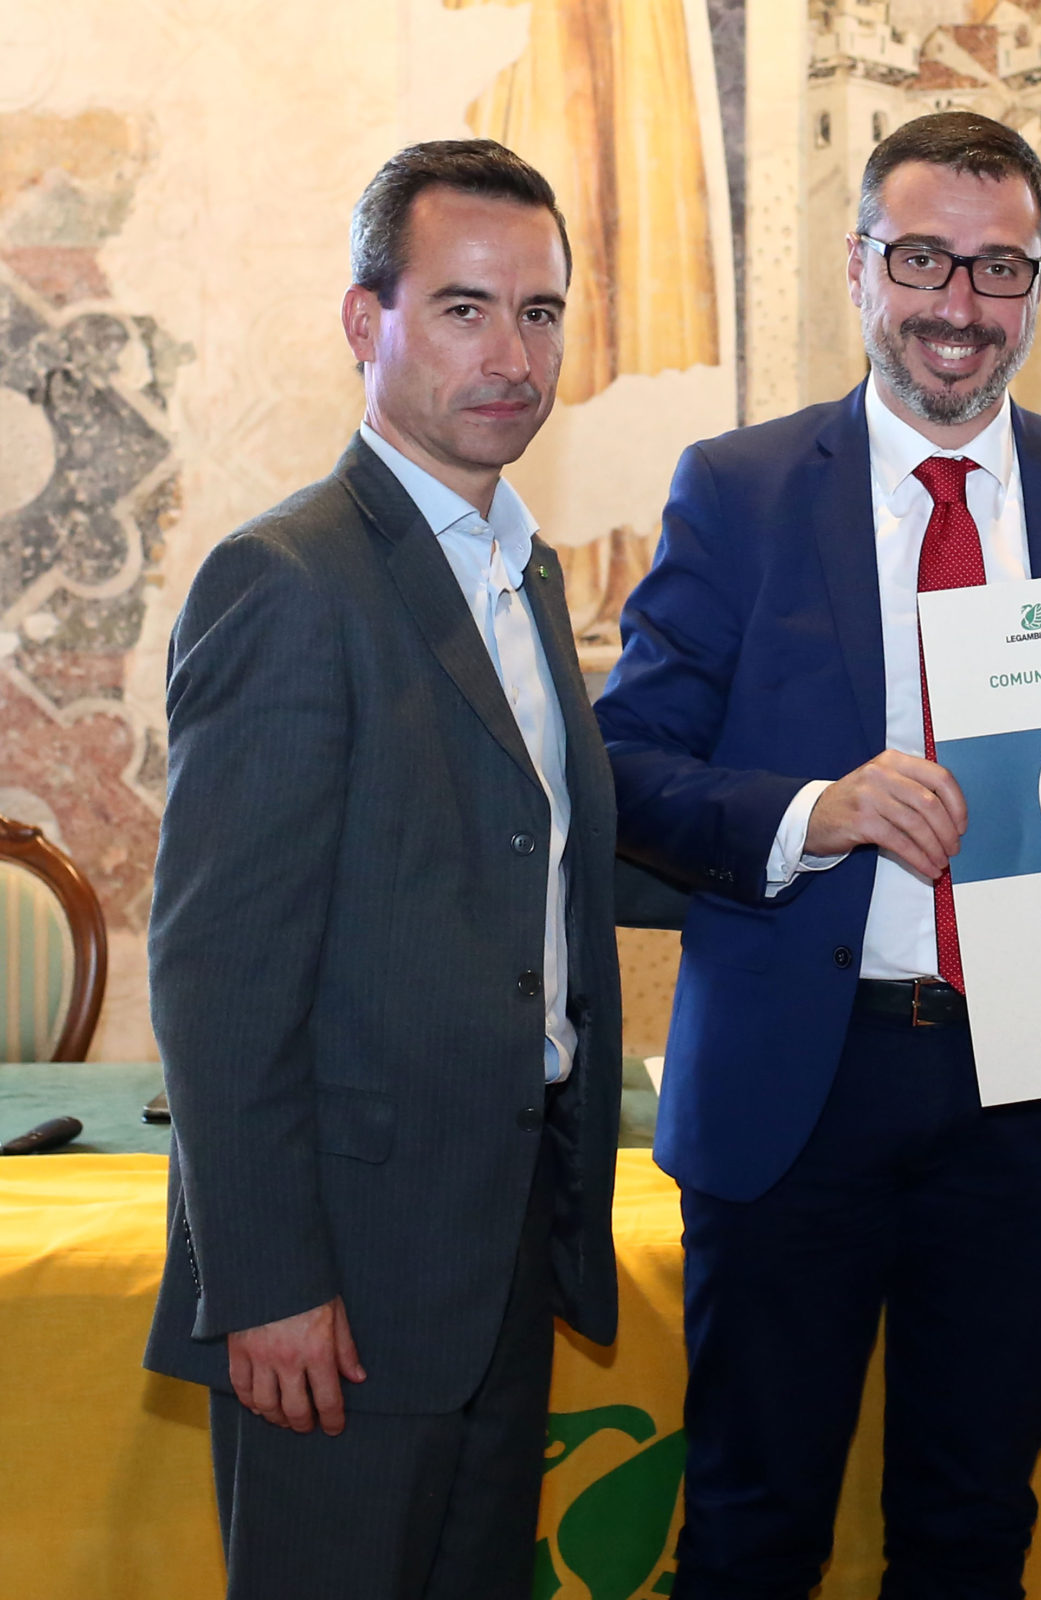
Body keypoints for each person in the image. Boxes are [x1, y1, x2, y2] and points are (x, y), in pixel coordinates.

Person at [595, 111, 1041, 1598]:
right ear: (859, 268)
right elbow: (626, 768)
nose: (959, 305)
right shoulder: (736, 489)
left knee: (973, 1530)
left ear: (1039, 285)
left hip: (1030, 1091)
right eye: (923, 259)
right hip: (799, 1083)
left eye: (998, 268)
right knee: (751, 1530)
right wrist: (818, 813)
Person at [143, 139, 623, 1600]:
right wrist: (270, 1283)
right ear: (368, 322)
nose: (512, 356)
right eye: (465, 309)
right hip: (339, 1284)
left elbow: (527, 864)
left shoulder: (521, 569)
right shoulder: (288, 580)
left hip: (496, 1255)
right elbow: (217, 978)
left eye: (539, 313)